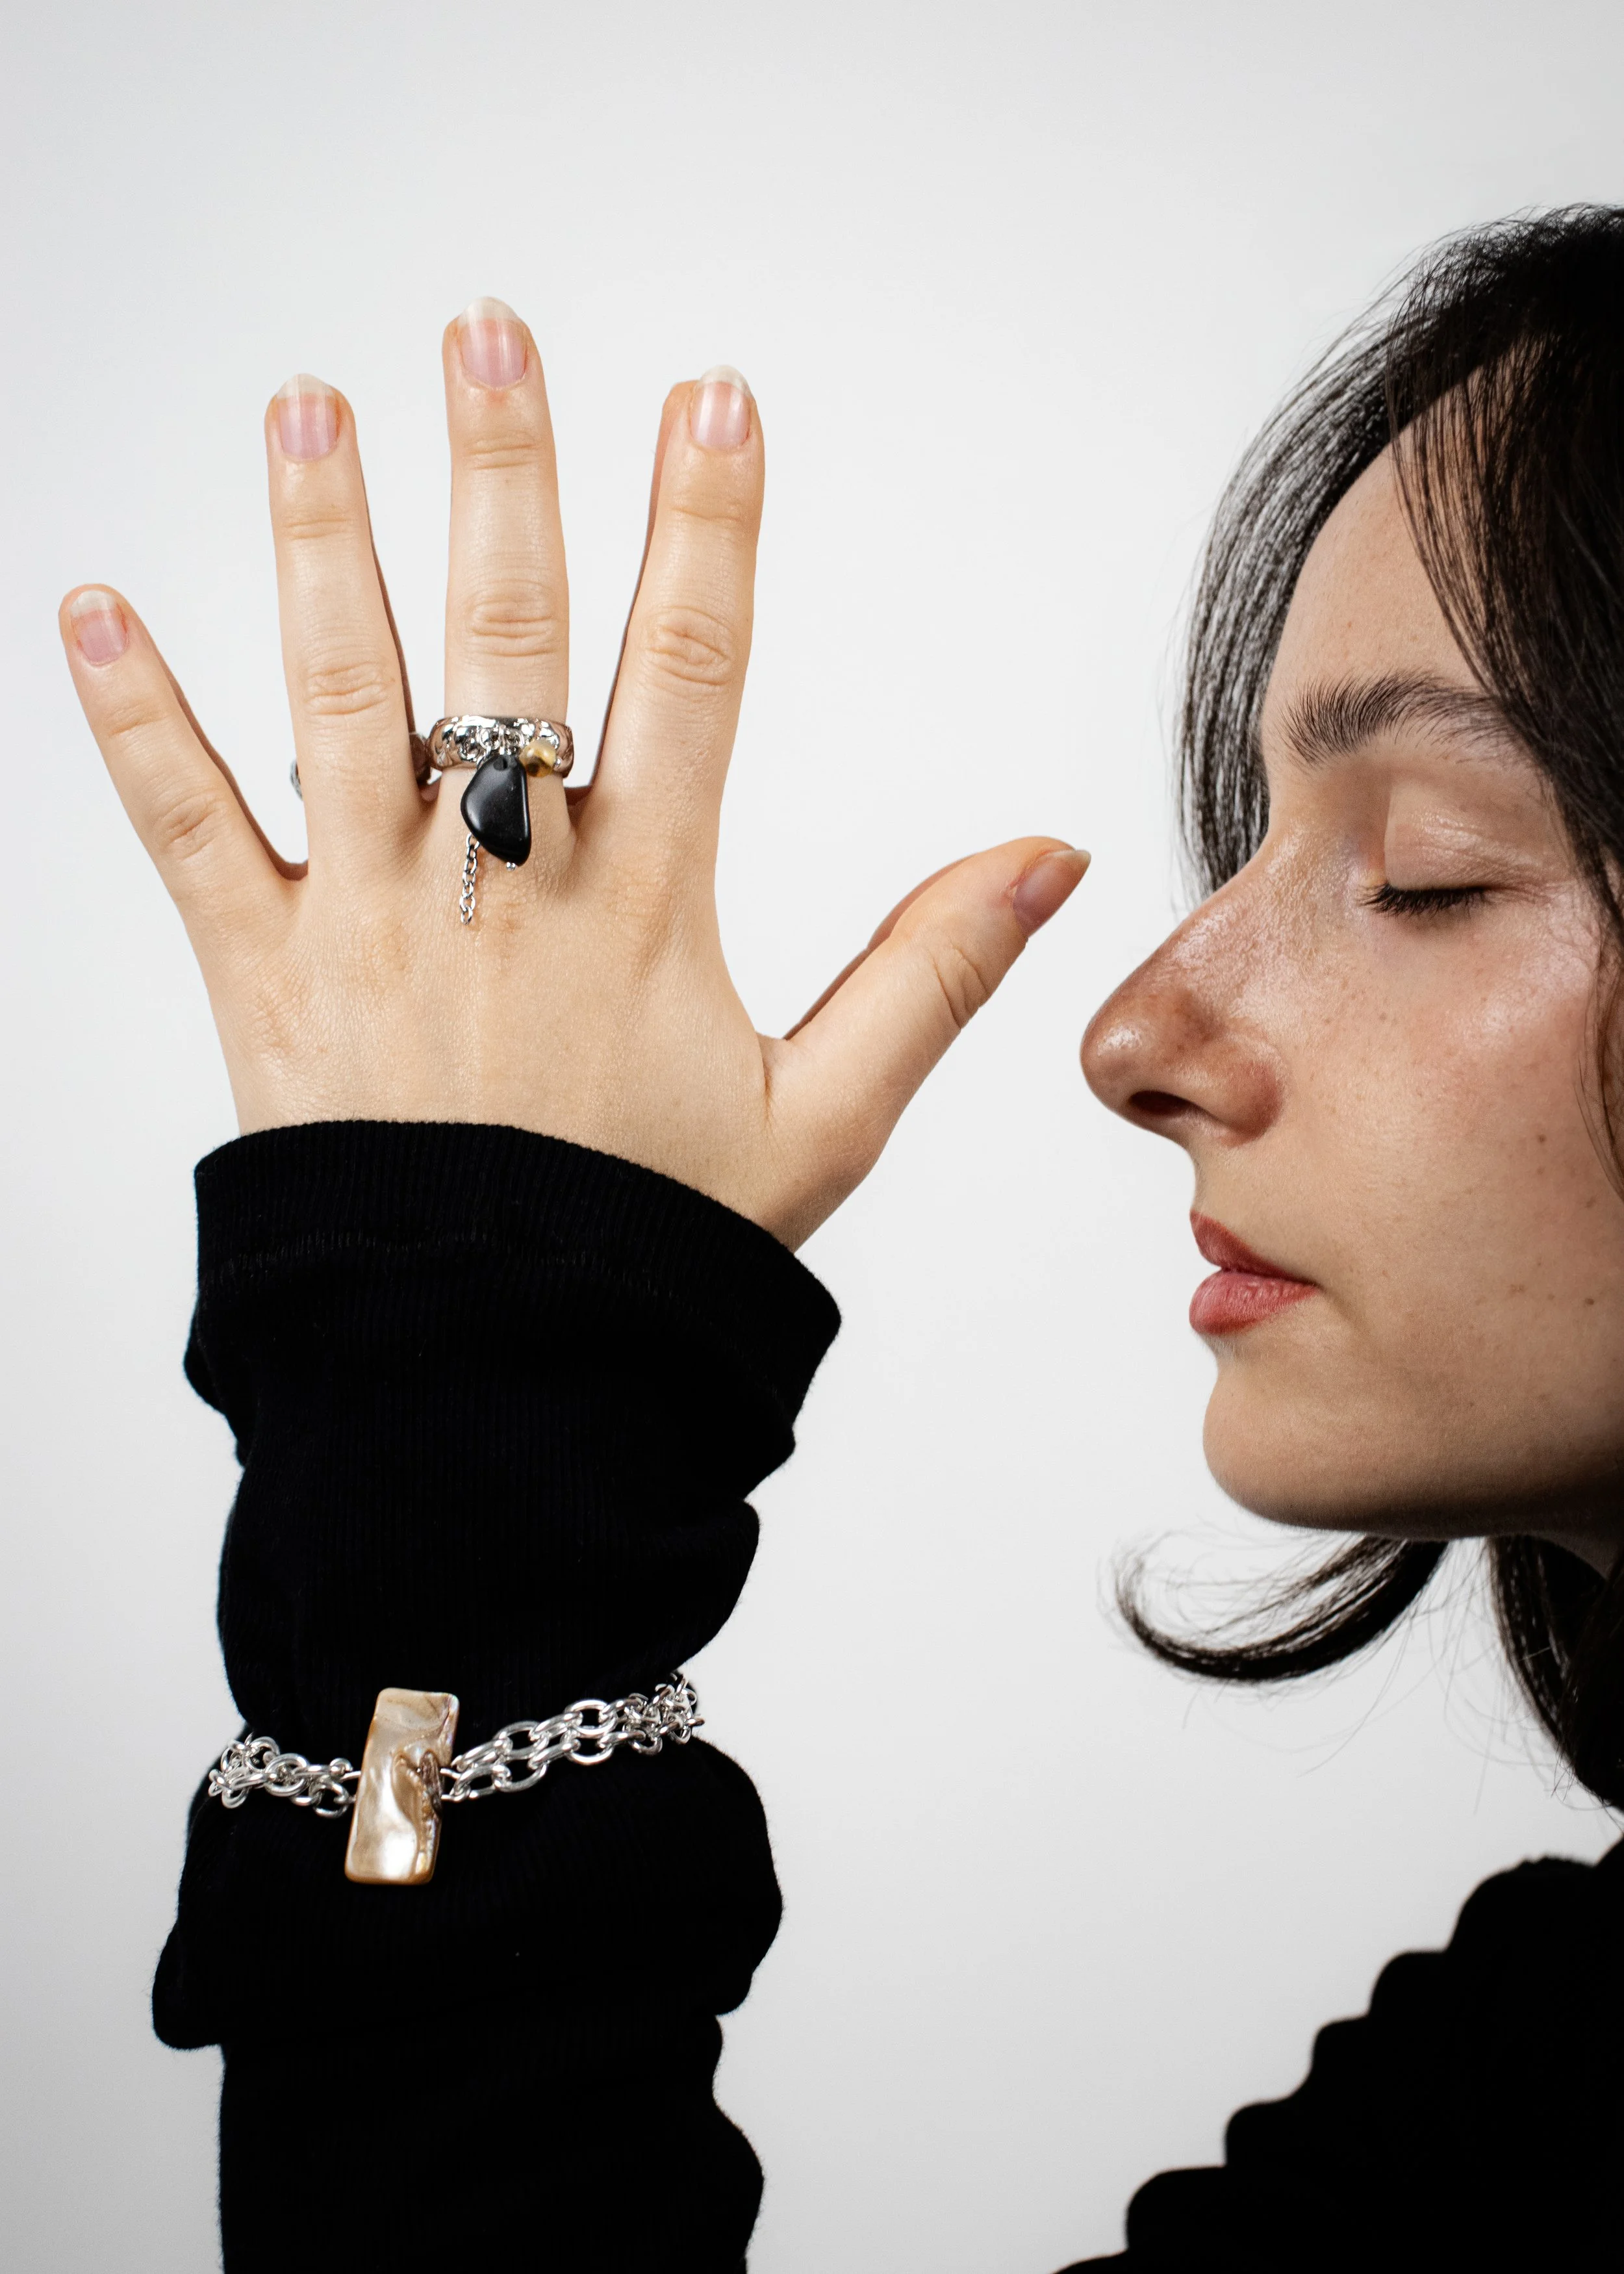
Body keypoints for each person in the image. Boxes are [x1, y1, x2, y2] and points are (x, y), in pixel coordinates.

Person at [57, 208, 1623, 2269]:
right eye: (1242, 836)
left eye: (1420, 870)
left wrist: (465, 1360)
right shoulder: (1535, 2067)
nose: (1136, 1033)